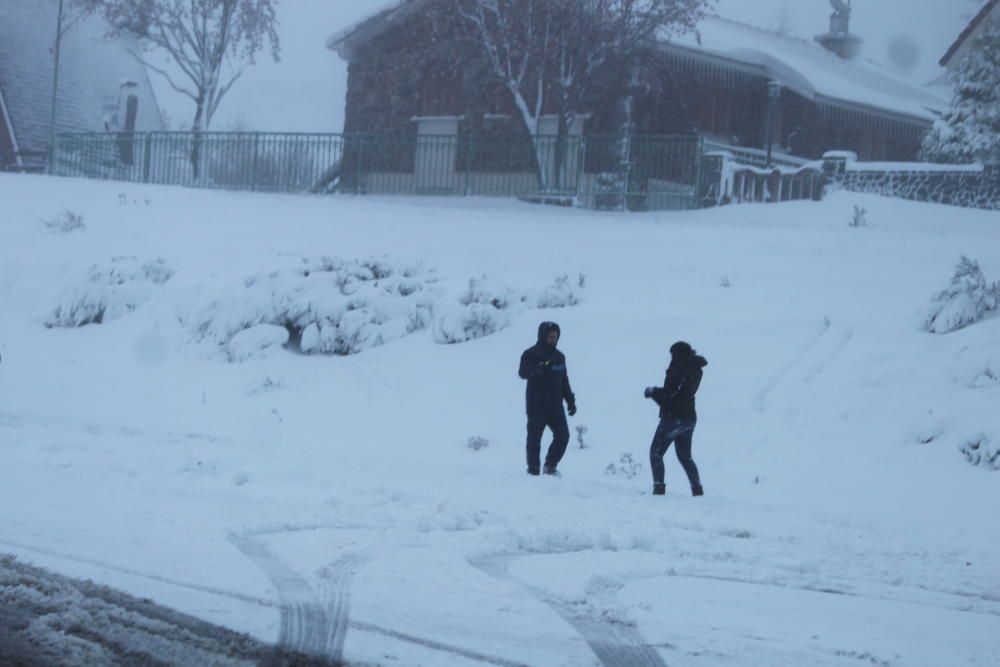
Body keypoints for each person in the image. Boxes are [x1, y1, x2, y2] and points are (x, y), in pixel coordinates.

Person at [645, 341, 707, 496]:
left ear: (677, 354)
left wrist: (652, 392)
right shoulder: (695, 368)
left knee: (656, 453)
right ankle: (697, 491)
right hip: (689, 418)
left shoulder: (678, 368)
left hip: (673, 418)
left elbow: (669, 396)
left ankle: (659, 490)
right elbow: (679, 393)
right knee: (685, 457)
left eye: (672, 354)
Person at [519, 322, 577, 476]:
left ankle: (550, 466)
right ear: (542, 336)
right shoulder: (530, 354)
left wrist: (570, 400)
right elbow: (522, 372)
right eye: (550, 336)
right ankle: (533, 471)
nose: (553, 339)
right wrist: (535, 369)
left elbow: (564, 381)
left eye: (555, 337)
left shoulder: (560, 357)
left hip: (555, 406)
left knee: (563, 436)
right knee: (534, 440)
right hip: (536, 405)